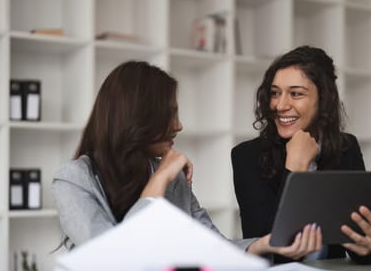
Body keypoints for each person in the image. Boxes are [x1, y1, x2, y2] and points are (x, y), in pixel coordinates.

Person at [52, 60, 317, 260]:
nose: (178, 125)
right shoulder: (73, 180)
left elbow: (211, 246)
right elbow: (112, 259)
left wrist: (262, 244)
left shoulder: (171, 176)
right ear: (137, 118)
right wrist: (159, 179)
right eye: (168, 115)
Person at [231, 45, 371, 264]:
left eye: (296, 94)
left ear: (323, 99)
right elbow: (270, 251)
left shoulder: (346, 146)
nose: (280, 105)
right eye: (275, 93)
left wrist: (370, 244)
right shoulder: (246, 156)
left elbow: (366, 254)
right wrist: (295, 166)